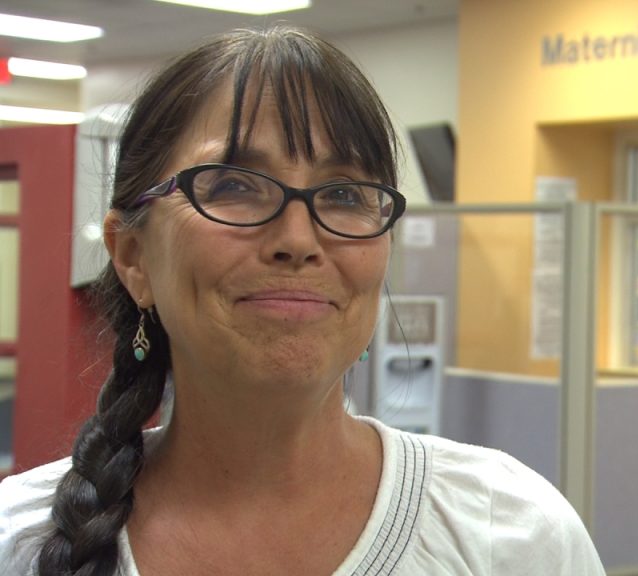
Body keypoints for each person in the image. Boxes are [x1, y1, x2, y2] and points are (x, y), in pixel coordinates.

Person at [0, 26, 604, 575]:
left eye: (343, 193)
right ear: (132, 255)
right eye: (233, 185)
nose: (297, 240)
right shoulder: (19, 543)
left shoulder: (509, 536)